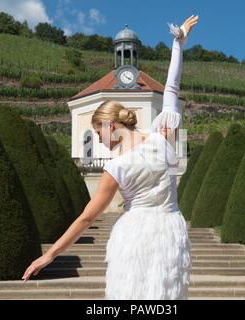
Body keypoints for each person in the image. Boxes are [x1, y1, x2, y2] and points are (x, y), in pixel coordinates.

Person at [22, 15, 199, 300]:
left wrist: (50, 255)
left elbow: (87, 218)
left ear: (110, 126)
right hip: (169, 234)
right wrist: (178, 45)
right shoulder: (162, 138)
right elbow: (172, 87)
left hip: (135, 236)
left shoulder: (116, 167)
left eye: (98, 133)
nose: (100, 140)